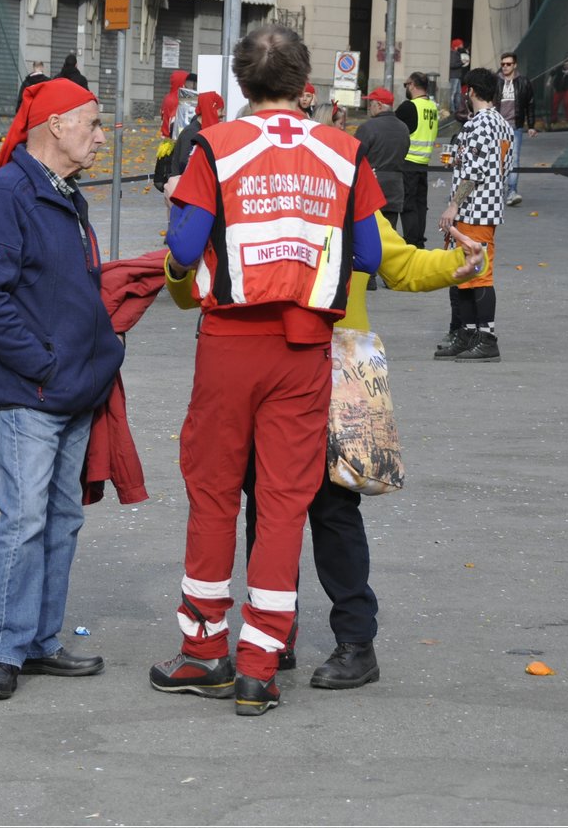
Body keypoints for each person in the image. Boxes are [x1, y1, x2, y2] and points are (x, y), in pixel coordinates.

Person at [150, 24, 386, 717]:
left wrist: (181, 228)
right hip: (305, 347)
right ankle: (260, 665)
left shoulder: (214, 148)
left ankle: (203, 650)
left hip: (228, 342)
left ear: (242, 83)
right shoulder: (344, 151)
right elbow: (368, 252)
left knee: (215, 491)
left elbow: (186, 247)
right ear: (303, 82)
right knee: (286, 500)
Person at [166, 213, 485, 688]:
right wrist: (179, 252)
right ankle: (273, 632)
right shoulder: (245, 194)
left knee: (332, 507)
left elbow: (400, 266)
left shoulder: (345, 191)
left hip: (334, 371)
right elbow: (185, 291)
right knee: (266, 503)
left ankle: (356, 640)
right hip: (263, 366)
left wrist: (463, 261)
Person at [0, 77, 124, 700]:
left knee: (59, 521)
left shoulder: (61, 191)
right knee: (24, 521)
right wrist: (47, 364)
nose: (101, 136)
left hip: (72, 388)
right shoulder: (9, 192)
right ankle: (2, 651)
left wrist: (87, 362)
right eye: (92, 123)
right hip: (36, 391)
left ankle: (37, 642)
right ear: (55, 125)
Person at [436, 66, 515, 362]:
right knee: (468, 273)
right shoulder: (502, 124)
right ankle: (470, 332)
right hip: (490, 205)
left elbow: (475, 171)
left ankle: (486, 336)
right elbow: (500, 168)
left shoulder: (478, 124)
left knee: (479, 275)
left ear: (470, 91)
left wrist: (454, 203)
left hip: (475, 210)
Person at [354, 86, 410, 247]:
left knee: (368, 235)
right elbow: (404, 152)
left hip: (372, 186)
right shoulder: (403, 128)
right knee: (389, 235)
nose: (369, 107)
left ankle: (370, 271)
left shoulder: (367, 127)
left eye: (371, 104)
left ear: (379, 105)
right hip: (396, 187)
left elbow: (356, 157)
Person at [391, 71, 440, 245]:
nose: (406, 88)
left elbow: (392, 125)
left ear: (412, 84)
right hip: (424, 163)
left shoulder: (409, 106)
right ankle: (419, 240)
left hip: (409, 162)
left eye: (406, 85)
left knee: (408, 205)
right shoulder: (432, 107)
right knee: (420, 205)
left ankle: (412, 242)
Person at [496, 52, 536, 206]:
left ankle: (512, 191)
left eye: (508, 64)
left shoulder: (524, 82)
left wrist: (531, 126)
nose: (505, 67)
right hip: (497, 127)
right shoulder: (495, 81)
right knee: (498, 160)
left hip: (515, 127)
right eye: (503, 64)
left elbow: (530, 104)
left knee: (514, 160)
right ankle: (498, 191)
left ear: (515, 65)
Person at [160, 69, 195, 139]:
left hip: (171, 136)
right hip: (174, 137)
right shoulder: (178, 99)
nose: (192, 84)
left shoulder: (170, 97)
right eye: (189, 81)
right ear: (182, 82)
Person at [448, 38, 471, 116]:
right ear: (457, 45)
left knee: (458, 93)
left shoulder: (454, 53)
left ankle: (457, 109)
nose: (462, 46)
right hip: (454, 76)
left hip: (456, 76)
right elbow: (452, 64)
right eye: (460, 45)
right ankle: (453, 109)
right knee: (453, 93)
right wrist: (461, 63)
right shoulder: (453, 53)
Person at [550, 61, 568, 127]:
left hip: (567, 89)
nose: (567, 66)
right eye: (565, 64)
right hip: (558, 89)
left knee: (566, 102)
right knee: (555, 103)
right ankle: (554, 118)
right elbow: (552, 73)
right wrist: (548, 81)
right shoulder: (559, 69)